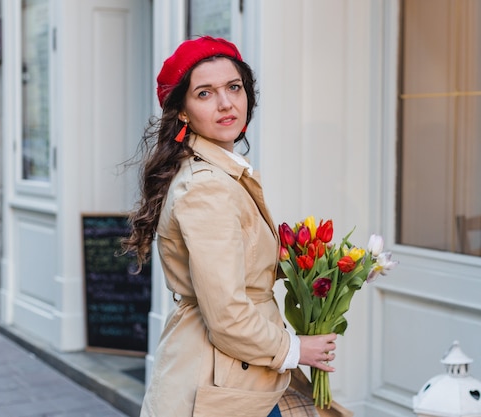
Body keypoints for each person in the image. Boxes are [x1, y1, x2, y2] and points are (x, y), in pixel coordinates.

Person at [122, 36, 337, 417]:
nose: (226, 103)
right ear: (183, 112)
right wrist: (297, 348)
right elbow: (226, 315)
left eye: (234, 87)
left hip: (241, 373)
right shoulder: (207, 186)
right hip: (222, 379)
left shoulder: (221, 173)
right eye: (204, 93)